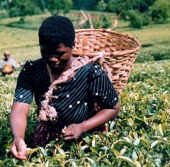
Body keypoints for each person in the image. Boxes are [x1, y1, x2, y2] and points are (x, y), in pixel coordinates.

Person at [9, 15, 120, 160]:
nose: (52, 58)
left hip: (85, 141)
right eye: (46, 52)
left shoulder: (90, 72)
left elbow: (113, 107)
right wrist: (18, 137)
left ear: (72, 45)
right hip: (46, 142)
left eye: (60, 53)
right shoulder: (31, 71)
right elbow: (19, 108)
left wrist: (83, 127)